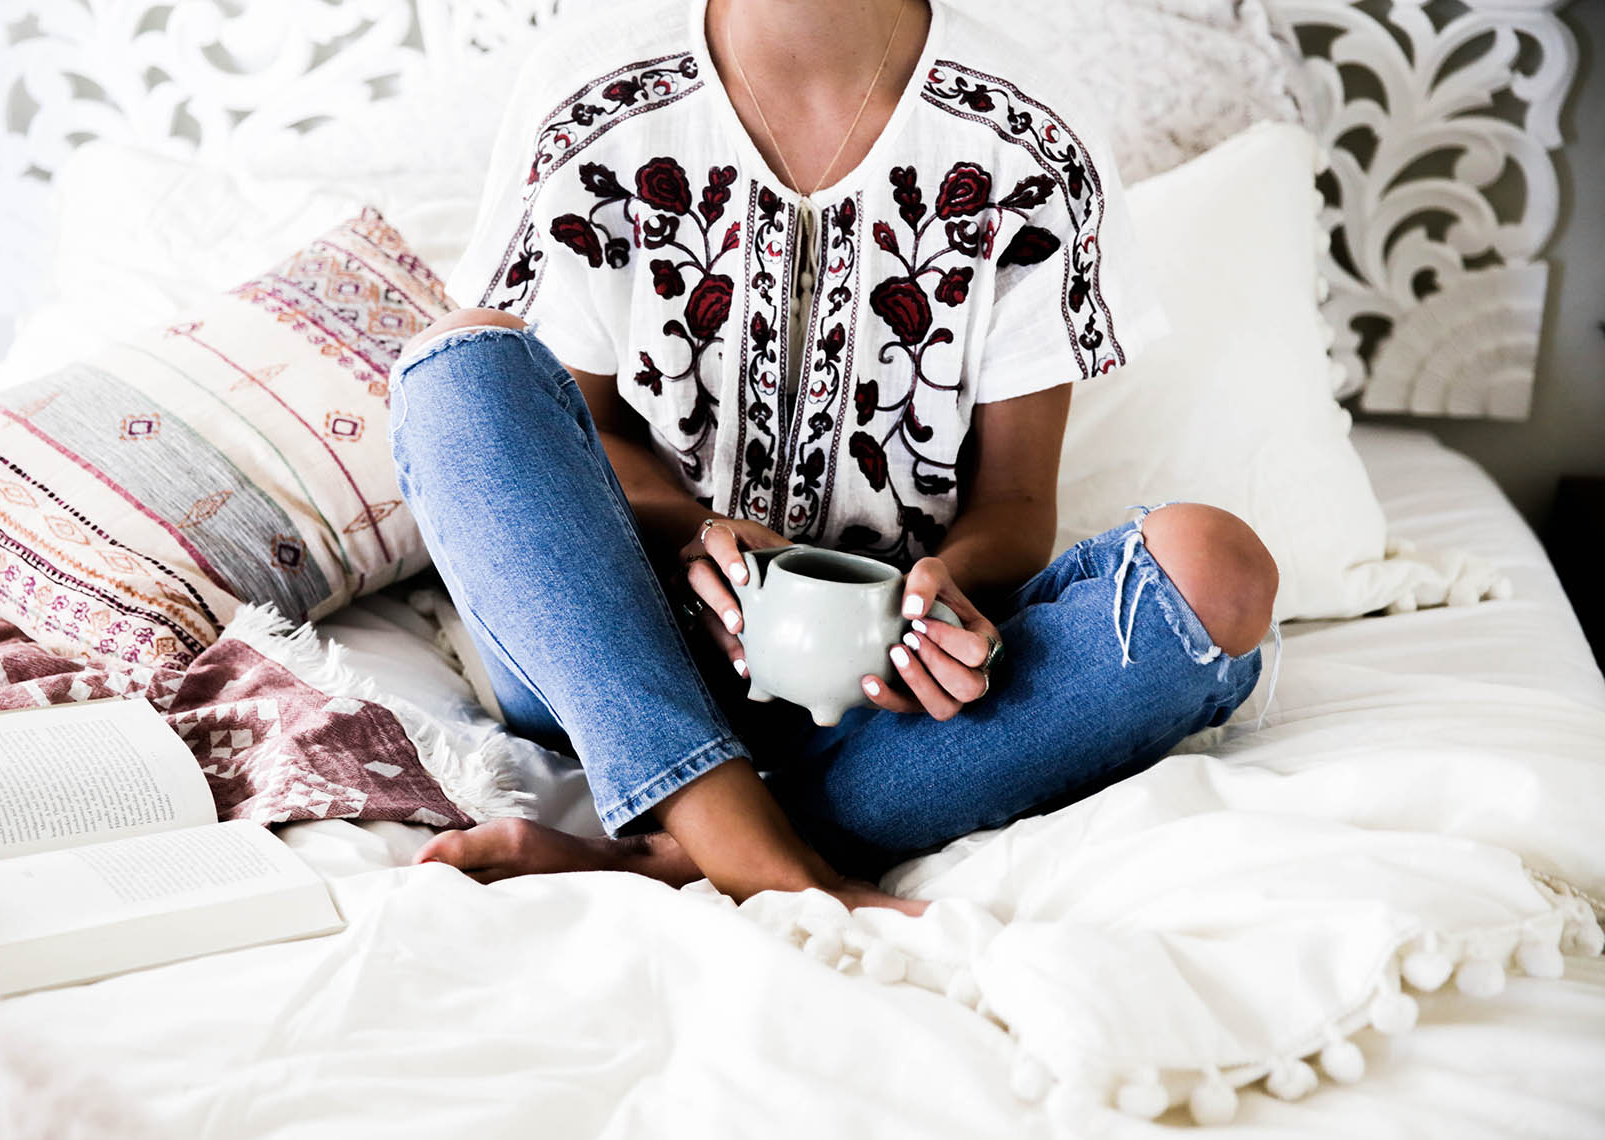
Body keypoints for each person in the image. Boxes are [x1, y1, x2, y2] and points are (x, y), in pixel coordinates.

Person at [387, 0, 1278, 914]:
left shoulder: (1028, 138)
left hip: (878, 691)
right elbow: (579, 437)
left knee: (1216, 575)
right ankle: (749, 843)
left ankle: (691, 848)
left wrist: (940, 600)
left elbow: (1014, 503)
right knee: (459, 367)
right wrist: (701, 532)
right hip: (609, 664)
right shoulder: (594, 101)